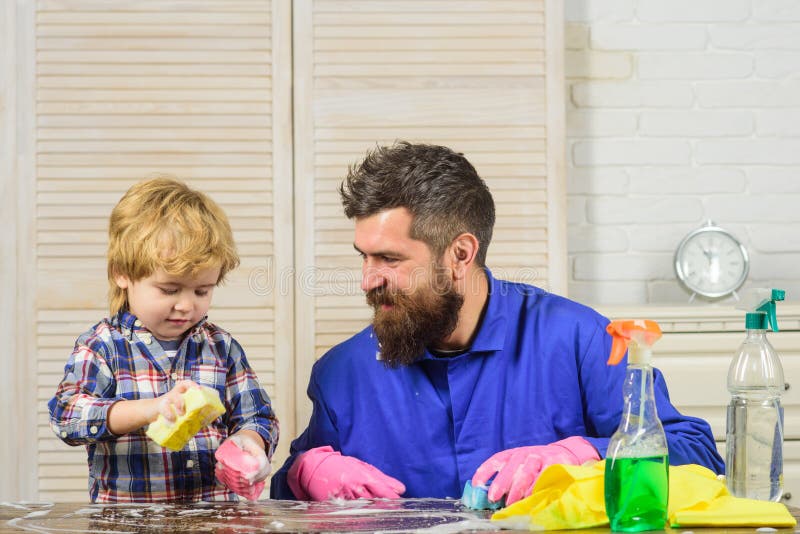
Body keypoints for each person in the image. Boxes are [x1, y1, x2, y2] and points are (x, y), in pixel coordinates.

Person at [270, 141, 724, 505]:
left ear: (461, 254)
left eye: (390, 259)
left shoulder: (580, 340)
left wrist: (583, 454)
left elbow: (698, 456)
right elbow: (289, 496)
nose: (368, 280)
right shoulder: (341, 373)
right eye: (364, 257)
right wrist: (302, 473)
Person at [48, 177, 279, 503]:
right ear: (122, 273)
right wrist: (152, 409)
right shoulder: (102, 347)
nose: (187, 305)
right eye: (169, 289)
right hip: (128, 525)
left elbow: (257, 417)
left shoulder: (221, 348)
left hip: (213, 522)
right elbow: (67, 416)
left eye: (202, 290)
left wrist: (250, 443)